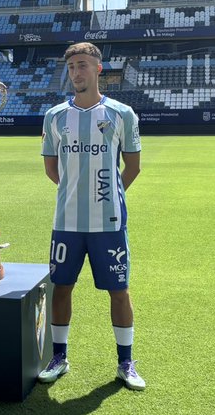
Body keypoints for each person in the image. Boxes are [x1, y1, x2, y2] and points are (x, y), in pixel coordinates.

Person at [39, 42, 145, 390]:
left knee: (119, 290)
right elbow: (52, 170)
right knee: (61, 289)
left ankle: (126, 363)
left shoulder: (121, 113)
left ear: (99, 69)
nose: (76, 73)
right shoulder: (55, 116)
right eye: (71, 68)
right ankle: (59, 356)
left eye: (83, 65)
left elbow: (133, 167)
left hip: (108, 223)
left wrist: (108, 194)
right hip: (66, 222)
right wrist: (77, 192)